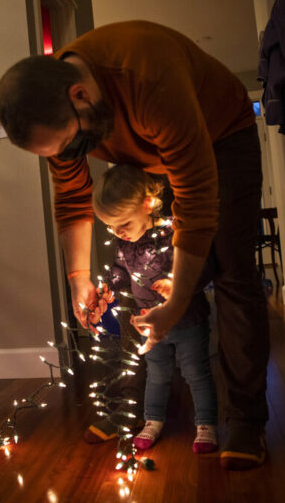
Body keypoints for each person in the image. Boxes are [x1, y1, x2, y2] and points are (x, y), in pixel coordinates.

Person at [0, 20, 269, 470]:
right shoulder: (65, 114)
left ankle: (246, 421)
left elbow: (196, 199)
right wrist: (78, 279)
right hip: (148, 150)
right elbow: (71, 198)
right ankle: (134, 405)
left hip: (220, 135)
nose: (69, 155)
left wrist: (179, 299)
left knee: (233, 271)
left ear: (80, 95)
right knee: (134, 281)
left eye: (68, 142)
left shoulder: (146, 75)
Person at [90, 164, 218, 453]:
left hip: (188, 320)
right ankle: (152, 420)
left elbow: (205, 265)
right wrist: (111, 285)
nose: (117, 232)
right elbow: (121, 268)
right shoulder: (126, 243)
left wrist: (179, 286)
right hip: (149, 324)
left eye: (122, 223)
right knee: (156, 374)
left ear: (147, 204)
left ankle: (206, 424)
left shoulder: (175, 232)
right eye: (109, 226)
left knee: (196, 372)